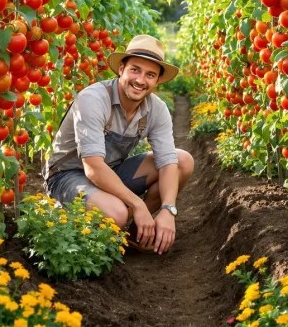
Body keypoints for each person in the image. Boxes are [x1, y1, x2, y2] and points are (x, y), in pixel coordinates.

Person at [43, 35, 194, 255]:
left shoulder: (156, 109)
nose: (141, 80)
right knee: (117, 213)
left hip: (110, 171)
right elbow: (93, 166)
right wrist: (138, 205)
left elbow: (168, 161)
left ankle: (134, 237)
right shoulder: (93, 99)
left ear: (158, 81)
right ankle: (78, 226)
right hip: (67, 175)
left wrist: (168, 210)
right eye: (135, 70)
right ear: (121, 69)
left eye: (150, 75)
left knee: (183, 161)